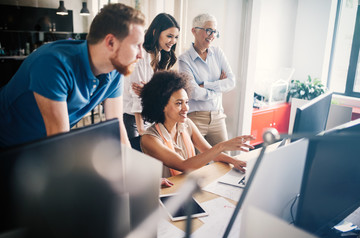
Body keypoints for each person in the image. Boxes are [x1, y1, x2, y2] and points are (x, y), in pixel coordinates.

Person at [0, 3, 145, 148]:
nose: (141, 54)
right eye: (136, 45)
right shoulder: (53, 63)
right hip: (8, 143)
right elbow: (60, 142)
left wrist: (128, 165)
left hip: (39, 146)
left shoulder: (114, 71)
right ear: (111, 42)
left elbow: (117, 128)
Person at [140, 71, 254, 178]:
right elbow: (184, 166)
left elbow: (208, 151)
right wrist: (222, 146)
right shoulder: (149, 139)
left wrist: (234, 161)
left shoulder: (187, 124)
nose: (186, 108)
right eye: (179, 103)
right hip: (165, 195)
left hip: (186, 188)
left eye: (186, 102)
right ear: (161, 106)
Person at [178, 13, 235, 148]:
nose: (212, 35)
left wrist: (206, 85)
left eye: (214, 32)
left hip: (218, 116)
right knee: (196, 163)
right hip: (195, 118)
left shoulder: (218, 53)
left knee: (224, 160)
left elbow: (231, 82)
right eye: (208, 30)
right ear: (194, 31)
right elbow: (193, 92)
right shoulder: (184, 59)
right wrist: (217, 90)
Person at [123, 13, 180, 143]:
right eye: (169, 36)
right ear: (155, 32)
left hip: (149, 117)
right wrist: (141, 129)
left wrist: (149, 91)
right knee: (134, 158)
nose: (173, 41)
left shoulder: (159, 55)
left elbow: (160, 91)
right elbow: (136, 94)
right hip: (133, 119)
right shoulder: (141, 55)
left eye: (176, 37)